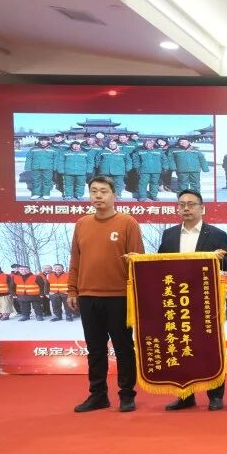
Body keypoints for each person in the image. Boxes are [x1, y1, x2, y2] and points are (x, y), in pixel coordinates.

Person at [69, 176, 144, 413]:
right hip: (88, 296)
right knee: (95, 349)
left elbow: (138, 262)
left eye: (103, 191)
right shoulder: (82, 224)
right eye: (94, 191)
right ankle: (98, 395)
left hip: (119, 297)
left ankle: (126, 395)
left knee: (123, 348)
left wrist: (137, 295)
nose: (98, 196)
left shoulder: (128, 223)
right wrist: (72, 290)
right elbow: (75, 260)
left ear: (114, 195)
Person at [157, 190, 227, 411]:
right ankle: (185, 395)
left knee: (209, 347)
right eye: (182, 204)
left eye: (191, 204)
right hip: (177, 300)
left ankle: (215, 395)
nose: (186, 208)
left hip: (206, 299)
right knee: (181, 346)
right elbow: (159, 264)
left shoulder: (216, 234)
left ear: (202, 208)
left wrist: (220, 258)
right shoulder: (169, 235)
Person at [24, 136, 58, 200]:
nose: (43, 142)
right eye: (41, 140)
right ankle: (36, 194)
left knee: (47, 181)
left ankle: (46, 194)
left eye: (45, 140)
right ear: (39, 141)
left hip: (48, 168)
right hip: (36, 167)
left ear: (48, 141)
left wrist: (54, 167)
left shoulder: (53, 149)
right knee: (36, 181)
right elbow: (29, 158)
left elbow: (55, 159)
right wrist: (27, 167)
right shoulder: (33, 149)